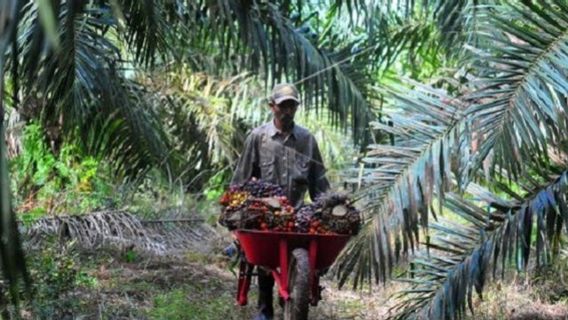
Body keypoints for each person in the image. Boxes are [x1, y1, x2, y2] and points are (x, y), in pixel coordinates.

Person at [231, 83, 330, 320]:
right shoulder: (258, 138)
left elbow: (319, 182)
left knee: (299, 250)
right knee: (265, 254)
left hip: (297, 214)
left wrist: (330, 212)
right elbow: (242, 179)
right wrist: (234, 216)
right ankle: (264, 308)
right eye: (283, 106)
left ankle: (293, 293)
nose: (287, 111)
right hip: (265, 213)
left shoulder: (307, 140)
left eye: (292, 106)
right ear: (271, 106)